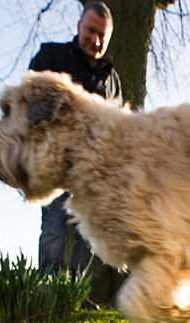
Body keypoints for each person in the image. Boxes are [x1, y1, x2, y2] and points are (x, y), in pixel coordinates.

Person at [29, 1, 125, 305]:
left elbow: (118, 124)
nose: (95, 40)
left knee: (86, 236)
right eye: (91, 31)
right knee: (54, 229)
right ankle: (46, 289)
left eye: (102, 36)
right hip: (57, 163)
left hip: (92, 172)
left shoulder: (112, 79)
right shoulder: (52, 57)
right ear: (79, 26)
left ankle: (74, 294)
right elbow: (30, 96)